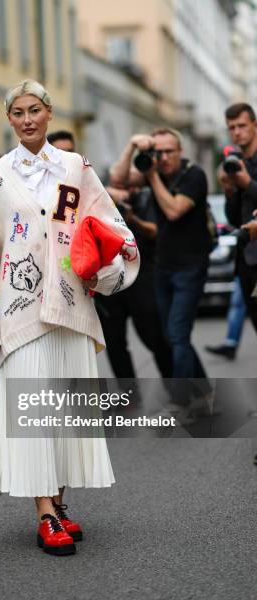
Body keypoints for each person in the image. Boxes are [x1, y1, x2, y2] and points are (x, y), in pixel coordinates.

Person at [0, 79, 140, 556]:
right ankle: (44, 514)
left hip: (71, 304)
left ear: (49, 113)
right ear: (10, 119)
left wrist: (103, 266)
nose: (27, 119)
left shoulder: (76, 169)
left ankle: (58, 505)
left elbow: (110, 224)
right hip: (20, 315)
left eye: (35, 109)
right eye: (17, 112)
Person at [111, 128, 212, 417]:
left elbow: (173, 211)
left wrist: (152, 175)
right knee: (171, 335)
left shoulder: (194, 176)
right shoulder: (153, 171)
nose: (164, 158)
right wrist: (132, 145)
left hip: (190, 267)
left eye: (169, 151)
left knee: (177, 335)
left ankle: (182, 402)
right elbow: (118, 179)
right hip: (164, 265)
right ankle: (206, 394)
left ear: (180, 152)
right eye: (159, 152)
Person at [96, 183, 173, 380]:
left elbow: (153, 231)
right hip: (108, 280)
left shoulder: (145, 196)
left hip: (139, 276)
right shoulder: (95, 195)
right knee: (114, 343)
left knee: (155, 338)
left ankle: (178, 393)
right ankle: (128, 396)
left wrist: (131, 216)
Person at [222, 103, 257, 333]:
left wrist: (248, 184)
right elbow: (234, 217)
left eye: (242, 125)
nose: (237, 132)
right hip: (246, 259)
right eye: (231, 127)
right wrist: (230, 190)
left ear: (254, 125)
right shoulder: (235, 163)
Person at [205, 276, 247, 360]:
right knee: (237, 304)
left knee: (242, 304)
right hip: (244, 270)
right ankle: (230, 344)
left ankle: (230, 344)